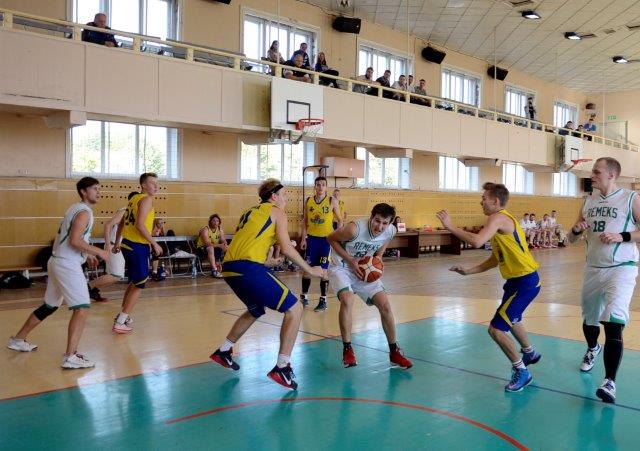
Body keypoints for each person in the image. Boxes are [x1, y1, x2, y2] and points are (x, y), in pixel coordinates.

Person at [210, 179, 325, 390]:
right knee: (295, 308)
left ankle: (224, 350)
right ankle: (282, 366)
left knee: (256, 310)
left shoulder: (250, 212)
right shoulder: (277, 212)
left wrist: (267, 262)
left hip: (229, 268)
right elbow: (287, 248)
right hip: (247, 267)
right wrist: (310, 269)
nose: (286, 198)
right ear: (274, 196)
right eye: (284, 194)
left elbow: (247, 243)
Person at [436, 182, 542, 392]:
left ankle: (522, 372)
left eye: (484, 198)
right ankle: (529, 353)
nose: (481, 202)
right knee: (512, 319)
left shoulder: (498, 218)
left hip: (525, 281)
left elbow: (476, 241)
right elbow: (495, 259)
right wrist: (469, 271)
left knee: (496, 329)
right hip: (517, 281)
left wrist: (450, 227)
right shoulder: (499, 223)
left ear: (495, 201)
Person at [7, 177, 110, 369]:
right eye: (95, 188)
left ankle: (18, 339)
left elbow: (65, 238)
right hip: (67, 265)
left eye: (99, 188)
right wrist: (99, 251)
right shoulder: (84, 212)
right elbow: (75, 241)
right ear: (83, 191)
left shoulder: (74, 208)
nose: (99, 192)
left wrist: (87, 253)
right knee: (82, 308)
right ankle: (71, 356)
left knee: (50, 305)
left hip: (56, 261)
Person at [568, 157, 639, 404]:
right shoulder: (588, 201)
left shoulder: (630, 198)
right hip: (593, 268)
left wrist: (623, 236)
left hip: (622, 268)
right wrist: (576, 230)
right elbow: (570, 239)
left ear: (612, 174)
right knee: (590, 320)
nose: (592, 175)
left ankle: (609, 382)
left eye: (596, 172)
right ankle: (593, 348)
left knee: (613, 322)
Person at [327, 203, 413, 369]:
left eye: (384, 223)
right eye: (377, 221)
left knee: (385, 305)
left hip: (364, 269)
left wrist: (378, 257)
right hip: (342, 267)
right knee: (347, 299)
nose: (379, 226)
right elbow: (330, 238)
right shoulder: (354, 229)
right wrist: (350, 260)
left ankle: (394, 352)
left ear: (390, 223)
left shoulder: (391, 230)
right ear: (371, 217)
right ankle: (347, 349)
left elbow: (386, 240)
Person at [113, 173, 163, 333]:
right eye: (152, 183)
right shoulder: (146, 199)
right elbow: (140, 225)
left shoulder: (133, 200)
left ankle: (123, 315)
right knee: (140, 284)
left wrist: (117, 242)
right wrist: (154, 243)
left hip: (127, 244)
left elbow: (122, 223)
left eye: (156, 183)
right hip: (137, 246)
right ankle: (120, 322)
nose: (156, 186)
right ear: (143, 185)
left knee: (135, 282)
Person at [300, 176, 343, 312]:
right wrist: (303, 239)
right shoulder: (308, 201)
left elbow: (340, 220)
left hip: (325, 241)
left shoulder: (332, 201)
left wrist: (337, 236)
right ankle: (303, 297)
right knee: (307, 270)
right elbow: (305, 221)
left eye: (323, 184)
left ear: (326, 187)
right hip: (311, 240)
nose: (320, 187)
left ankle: (323, 300)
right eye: (318, 184)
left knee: (324, 272)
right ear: (314, 186)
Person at [87, 191, 138, 302]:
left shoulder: (132, 212)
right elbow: (107, 225)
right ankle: (87, 287)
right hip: (113, 245)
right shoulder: (124, 211)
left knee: (115, 276)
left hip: (119, 246)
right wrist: (108, 245)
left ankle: (93, 290)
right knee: (116, 275)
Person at [196, 214, 228, 278]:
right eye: (214, 221)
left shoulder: (220, 229)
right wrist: (220, 245)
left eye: (217, 221)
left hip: (215, 248)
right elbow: (207, 243)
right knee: (210, 248)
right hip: (202, 249)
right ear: (210, 222)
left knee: (227, 247)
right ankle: (214, 270)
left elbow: (223, 240)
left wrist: (224, 244)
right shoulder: (205, 229)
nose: (215, 222)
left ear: (219, 222)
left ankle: (227, 267)